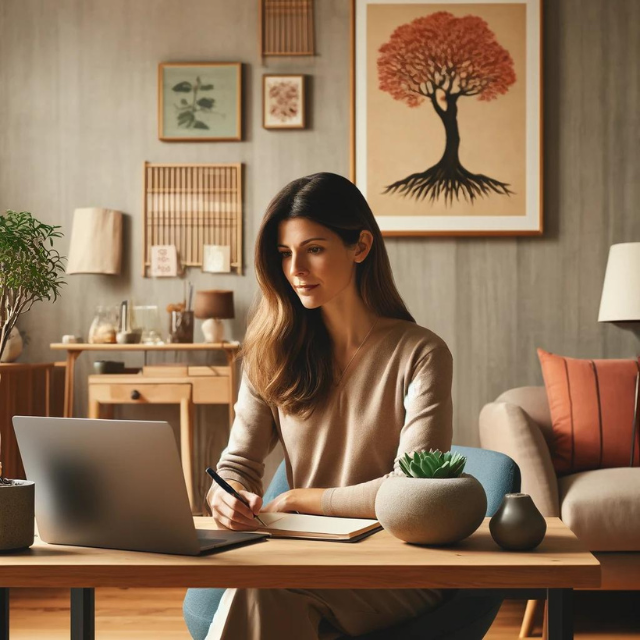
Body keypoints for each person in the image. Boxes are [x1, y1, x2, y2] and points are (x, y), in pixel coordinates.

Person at [186, 172, 453, 640]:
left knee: (263, 592)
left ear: (361, 245)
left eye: (314, 249)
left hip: (398, 561)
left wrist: (296, 499)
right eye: (284, 254)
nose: (296, 270)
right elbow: (237, 465)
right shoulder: (269, 350)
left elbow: (412, 495)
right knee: (263, 589)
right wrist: (225, 497)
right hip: (303, 554)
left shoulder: (421, 353)